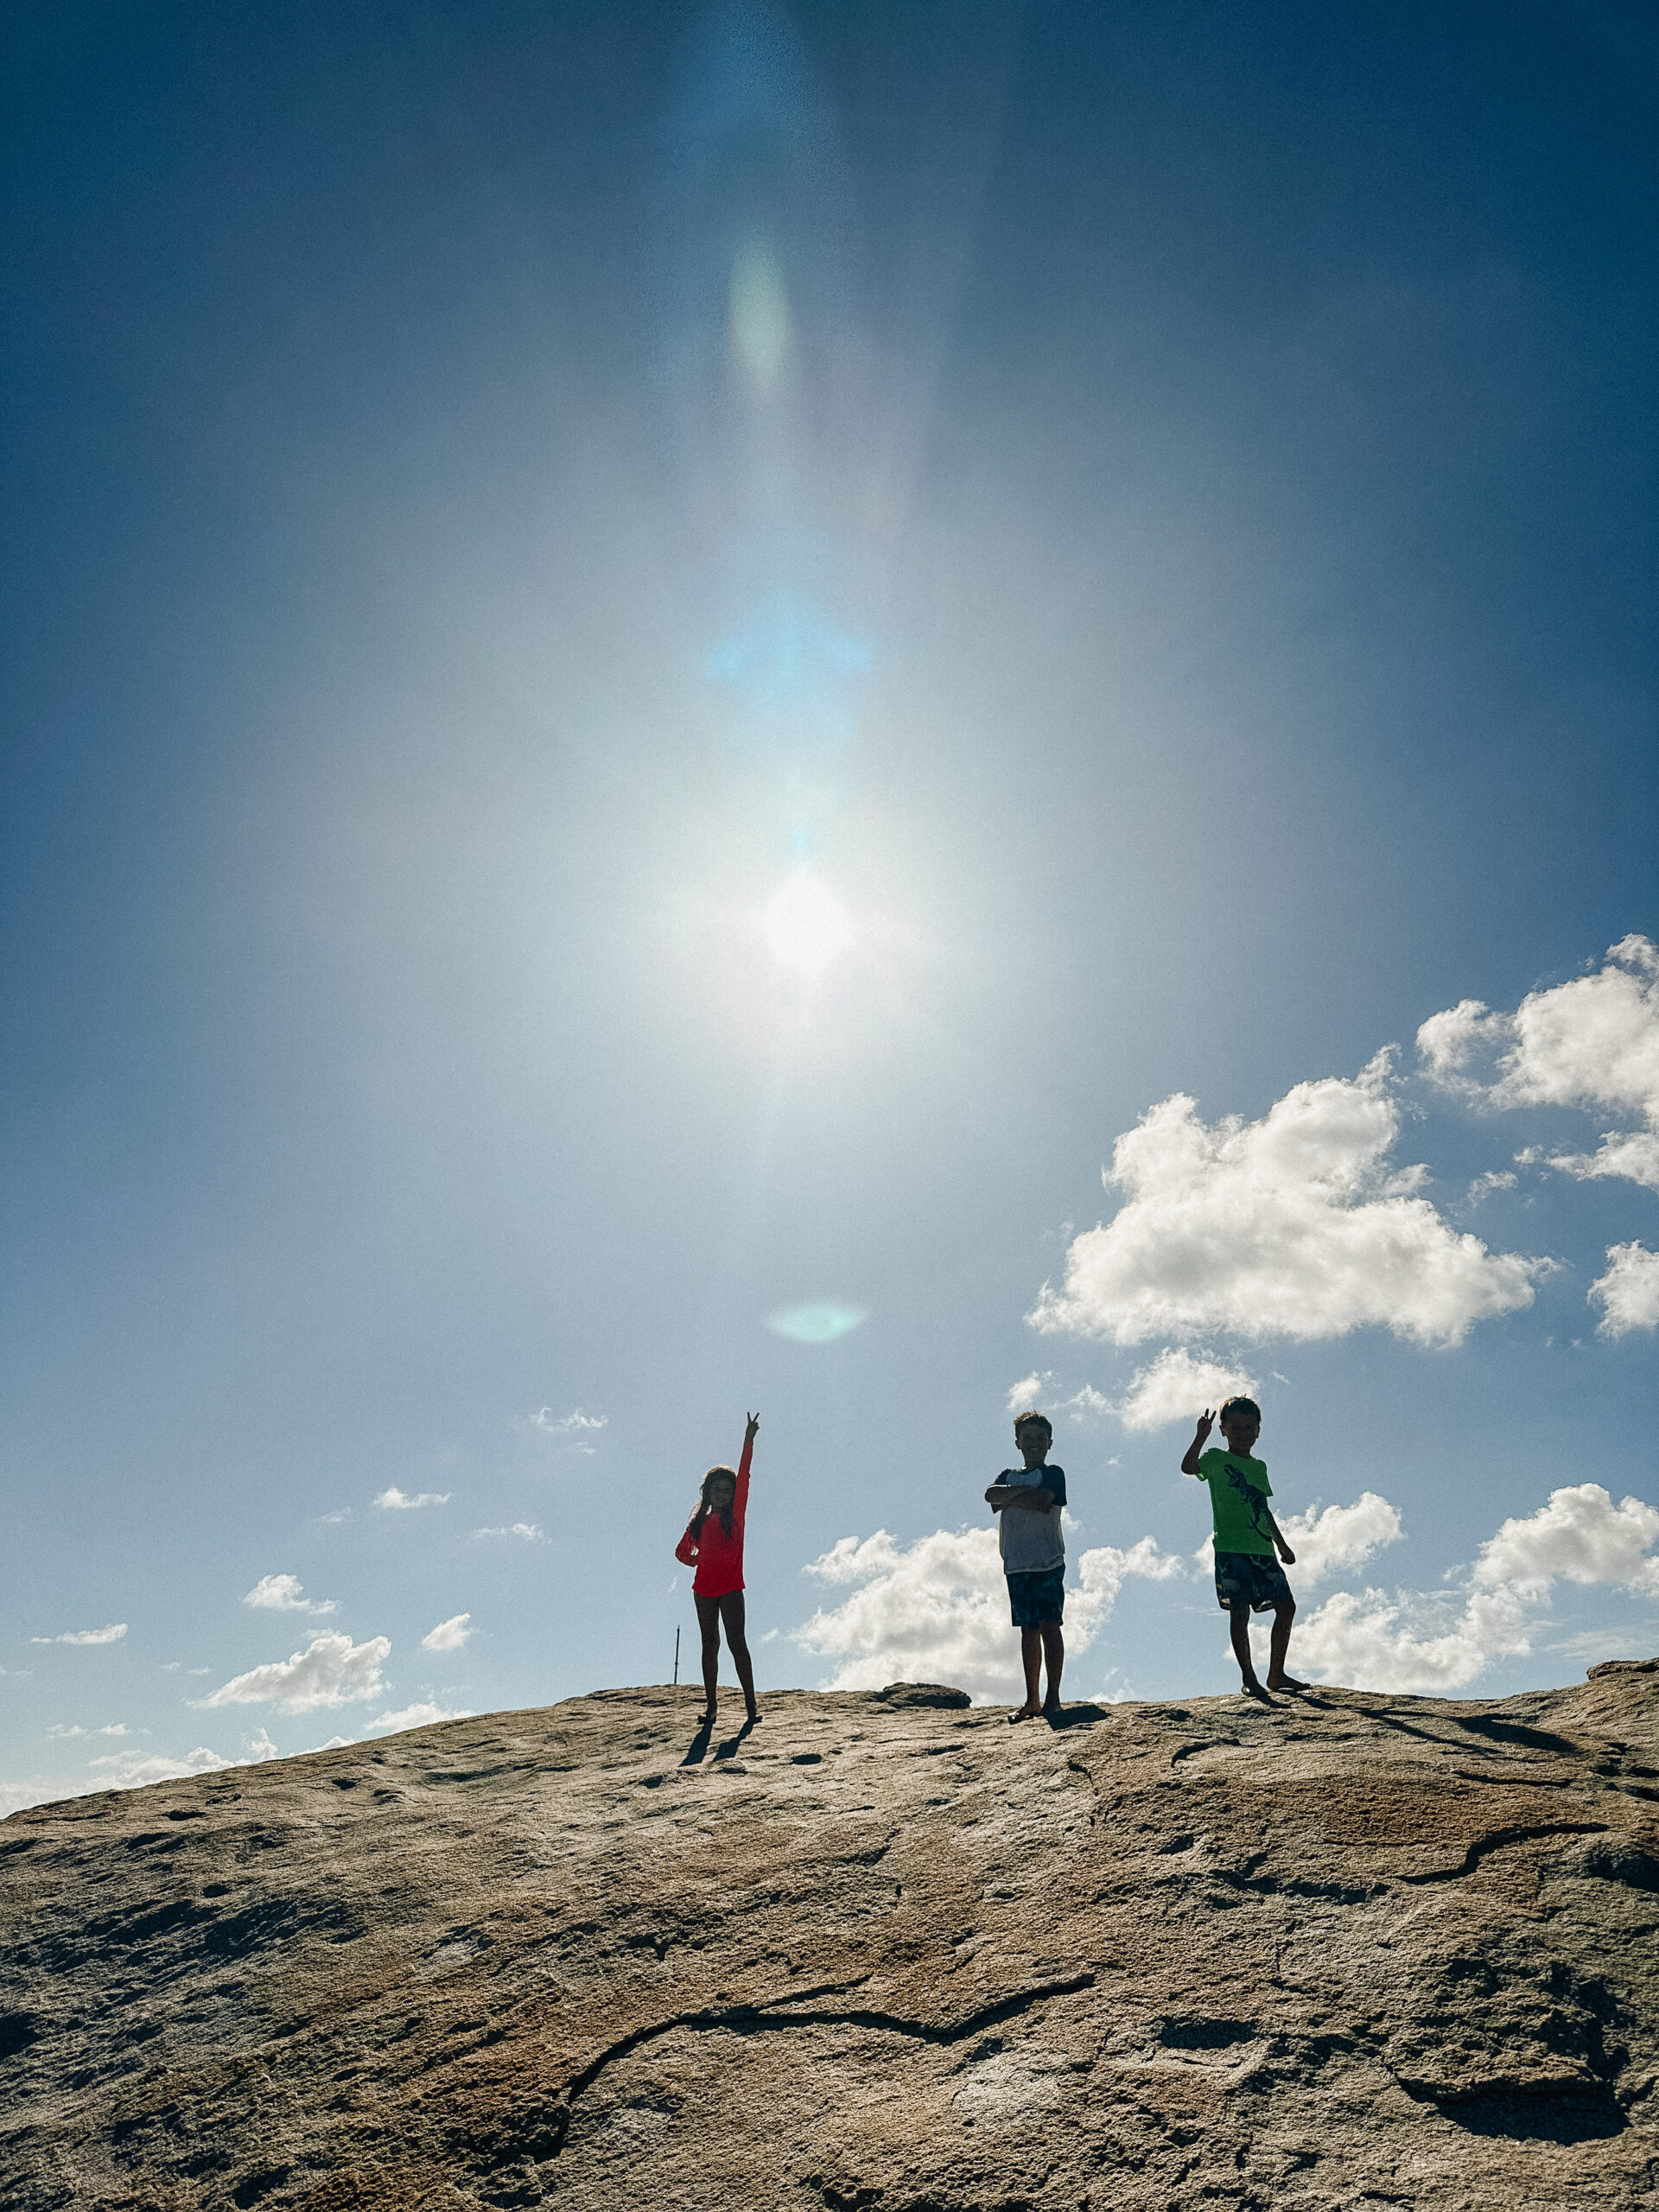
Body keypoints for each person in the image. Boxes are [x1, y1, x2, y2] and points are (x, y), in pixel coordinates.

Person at [1180, 1395, 1304, 1700]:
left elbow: (1262, 1508)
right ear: (1224, 1429)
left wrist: (1282, 1544)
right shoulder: (1215, 1459)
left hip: (1262, 1549)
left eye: (1250, 1427)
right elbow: (1188, 1467)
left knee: (1286, 1607)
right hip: (1231, 1548)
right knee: (1239, 1612)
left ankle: (1276, 1673)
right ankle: (1249, 1677)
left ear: (1259, 1430)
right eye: (1236, 1427)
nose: (1243, 1433)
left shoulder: (1259, 1467)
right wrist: (1200, 1437)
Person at [676, 1412, 761, 1728]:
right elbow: (681, 1552)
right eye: (717, 1490)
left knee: (737, 1643)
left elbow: (745, 1474)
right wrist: (698, 1561)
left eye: (727, 1490)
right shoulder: (699, 1523)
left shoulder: (736, 1516)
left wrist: (748, 1439)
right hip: (703, 1592)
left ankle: (751, 1707)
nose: (723, 1494)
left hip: (731, 1588)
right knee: (709, 1644)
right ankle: (712, 1708)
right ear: (708, 1493)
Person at [985, 1409, 1067, 1722]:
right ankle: (1032, 1699)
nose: (1034, 1443)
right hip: (1016, 1564)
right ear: (1018, 1442)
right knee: (1028, 1631)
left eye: (1040, 1438)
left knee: (1050, 1626)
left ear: (1049, 1443)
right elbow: (990, 1495)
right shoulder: (1007, 1474)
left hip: (1048, 1561)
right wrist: (1021, 1495)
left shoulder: (1053, 1472)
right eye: (1028, 1438)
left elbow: (1044, 1500)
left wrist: (1011, 1499)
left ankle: (1053, 1698)